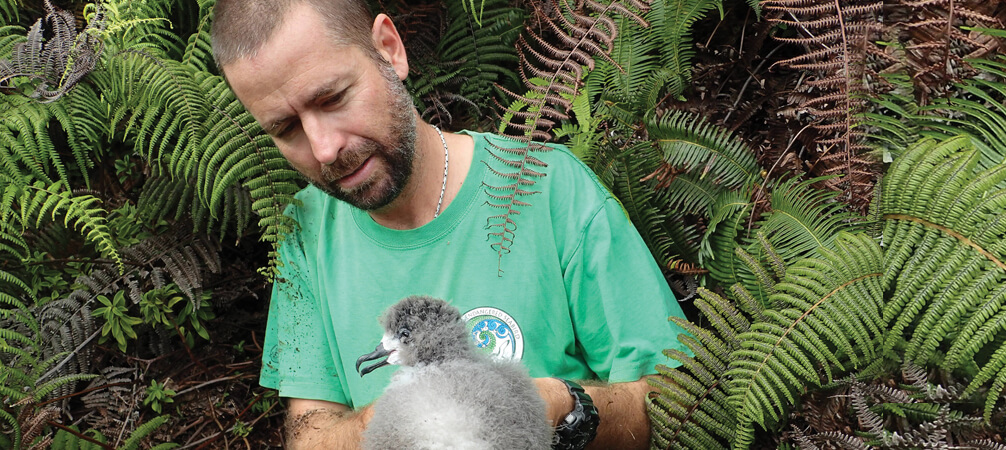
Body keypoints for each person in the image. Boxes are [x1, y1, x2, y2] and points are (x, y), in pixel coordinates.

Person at [209, 0, 688, 448]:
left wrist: (564, 408)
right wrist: (392, 422)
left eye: (333, 98)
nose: (323, 149)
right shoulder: (303, 231)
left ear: (388, 50)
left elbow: (679, 401)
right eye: (285, 128)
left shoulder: (547, 188)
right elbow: (309, 432)